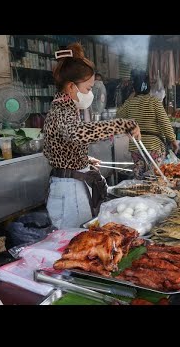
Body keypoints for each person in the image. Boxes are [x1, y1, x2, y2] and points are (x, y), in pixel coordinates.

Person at [43, 43, 141, 228]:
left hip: (72, 184)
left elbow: (56, 148)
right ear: (71, 87)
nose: (90, 94)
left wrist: (83, 159)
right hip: (69, 189)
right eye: (88, 89)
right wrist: (122, 124)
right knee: (74, 240)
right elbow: (77, 133)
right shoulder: (62, 110)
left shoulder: (65, 109)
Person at [117, 69, 179, 179]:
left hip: (136, 147)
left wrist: (131, 98)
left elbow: (118, 117)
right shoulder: (154, 102)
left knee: (139, 180)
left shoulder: (129, 103)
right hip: (154, 147)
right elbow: (165, 123)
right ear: (148, 86)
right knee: (155, 179)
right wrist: (173, 141)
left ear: (134, 87)